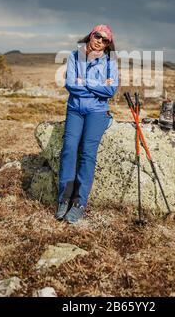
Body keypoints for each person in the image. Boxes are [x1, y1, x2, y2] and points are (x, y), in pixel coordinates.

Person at [56, 24, 119, 224]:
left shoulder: (110, 62)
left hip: (97, 113)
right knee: (69, 149)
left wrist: (85, 82)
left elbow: (110, 91)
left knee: (88, 153)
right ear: (91, 35)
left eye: (105, 39)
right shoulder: (75, 56)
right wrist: (96, 87)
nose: (100, 40)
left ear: (108, 44)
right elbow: (71, 85)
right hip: (75, 109)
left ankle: (79, 203)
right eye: (98, 36)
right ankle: (64, 199)